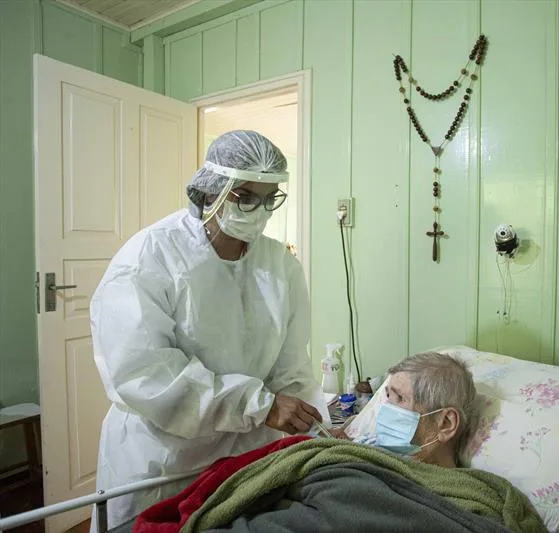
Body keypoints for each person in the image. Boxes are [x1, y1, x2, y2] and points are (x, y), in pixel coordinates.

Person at [90, 130, 322, 530]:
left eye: (269, 199)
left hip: (246, 454)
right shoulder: (150, 257)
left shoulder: (279, 265)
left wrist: (304, 427)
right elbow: (145, 375)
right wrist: (260, 406)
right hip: (165, 457)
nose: (260, 211)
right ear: (210, 190)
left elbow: (291, 364)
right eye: (245, 197)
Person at [338, 351, 478, 468]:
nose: (385, 407)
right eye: (388, 395)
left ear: (446, 423)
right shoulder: (370, 443)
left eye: (400, 398)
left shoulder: (451, 490)